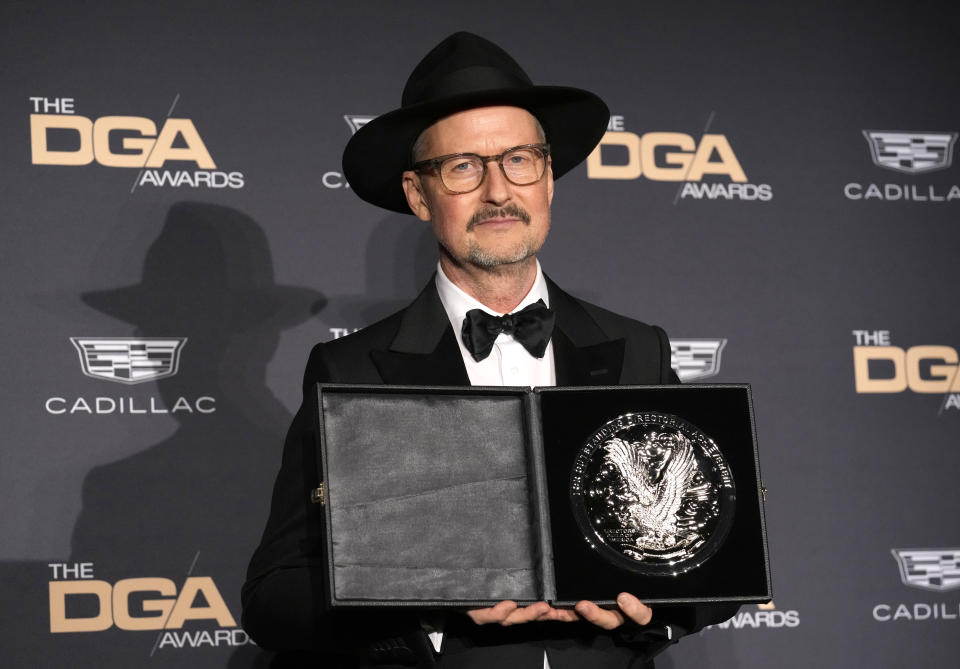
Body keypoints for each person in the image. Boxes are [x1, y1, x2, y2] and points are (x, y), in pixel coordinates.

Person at [242, 31, 737, 667]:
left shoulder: (637, 348)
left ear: (549, 178)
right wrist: (429, 605)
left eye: (519, 160)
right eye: (463, 167)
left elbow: (713, 554)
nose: (498, 191)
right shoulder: (352, 369)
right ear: (419, 196)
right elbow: (274, 599)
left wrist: (660, 610)